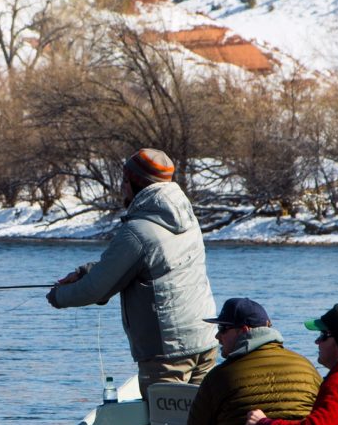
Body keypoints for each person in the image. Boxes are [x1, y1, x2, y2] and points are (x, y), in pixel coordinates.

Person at [47, 147, 219, 394]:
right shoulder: (186, 218)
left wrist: (57, 296)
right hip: (205, 340)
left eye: (124, 180)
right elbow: (152, 263)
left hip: (167, 352)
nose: (121, 187)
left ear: (135, 182)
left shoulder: (138, 231)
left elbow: (96, 289)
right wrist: (87, 271)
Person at [180, 297, 319, 425]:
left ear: (244, 330)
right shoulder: (307, 367)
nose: (217, 336)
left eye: (223, 328)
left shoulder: (219, 377)